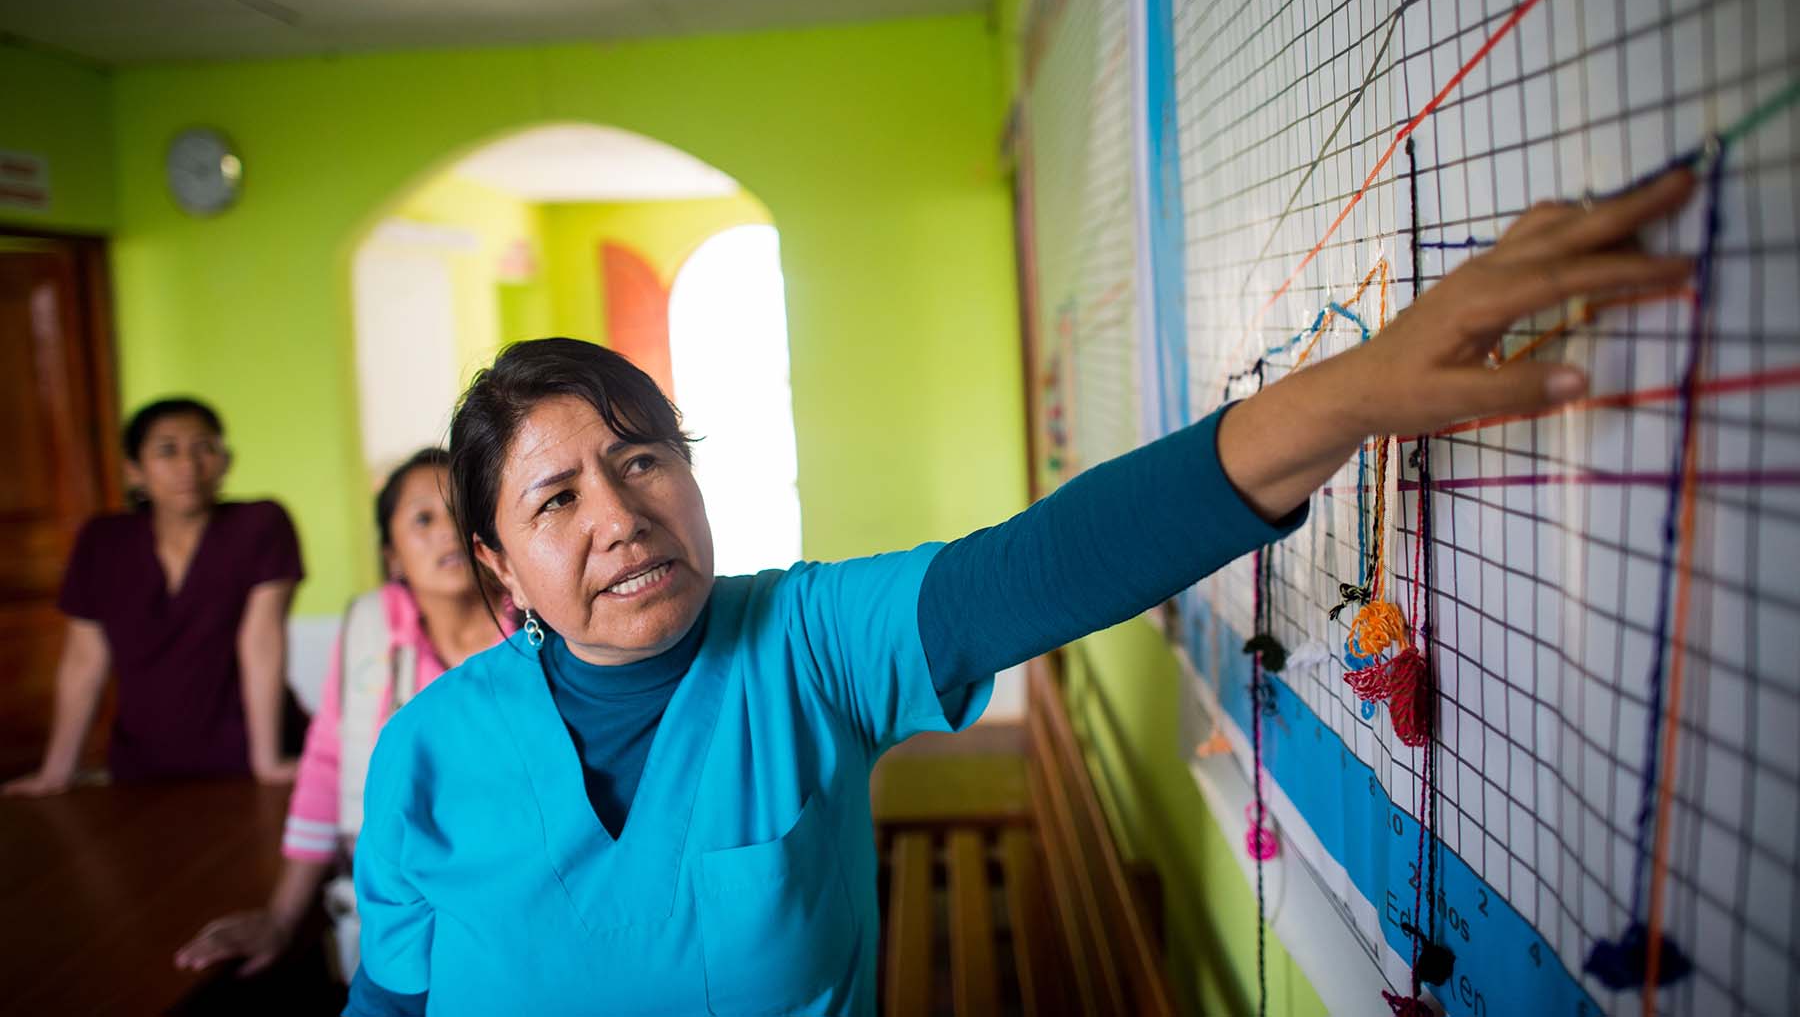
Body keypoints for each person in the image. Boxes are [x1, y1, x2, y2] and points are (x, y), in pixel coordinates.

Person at [344, 173, 1696, 1015]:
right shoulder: (424, 754)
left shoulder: (799, 643)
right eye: (558, 497)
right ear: (497, 565)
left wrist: (1365, 387)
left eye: (644, 460)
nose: (624, 515)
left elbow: (1045, 561)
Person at [173, 448, 515, 984]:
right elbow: (329, 767)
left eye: (462, 508)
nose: (448, 529)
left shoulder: (541, 636)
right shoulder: (369, 635)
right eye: (422, 518)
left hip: (523, 911)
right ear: (393, 557)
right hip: (407, 917)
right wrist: (282, 918)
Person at [5, 398, 304, 794]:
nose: (188, 466)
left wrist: (266, 761)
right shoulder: (102, 542)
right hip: (141, 765)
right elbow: (84, 662)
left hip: (250, 757)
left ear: (226, 460)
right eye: (167, 450)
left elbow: (262, 642)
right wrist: (57, 773)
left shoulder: (261, 524)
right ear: (134, 470)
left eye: (204, 447)